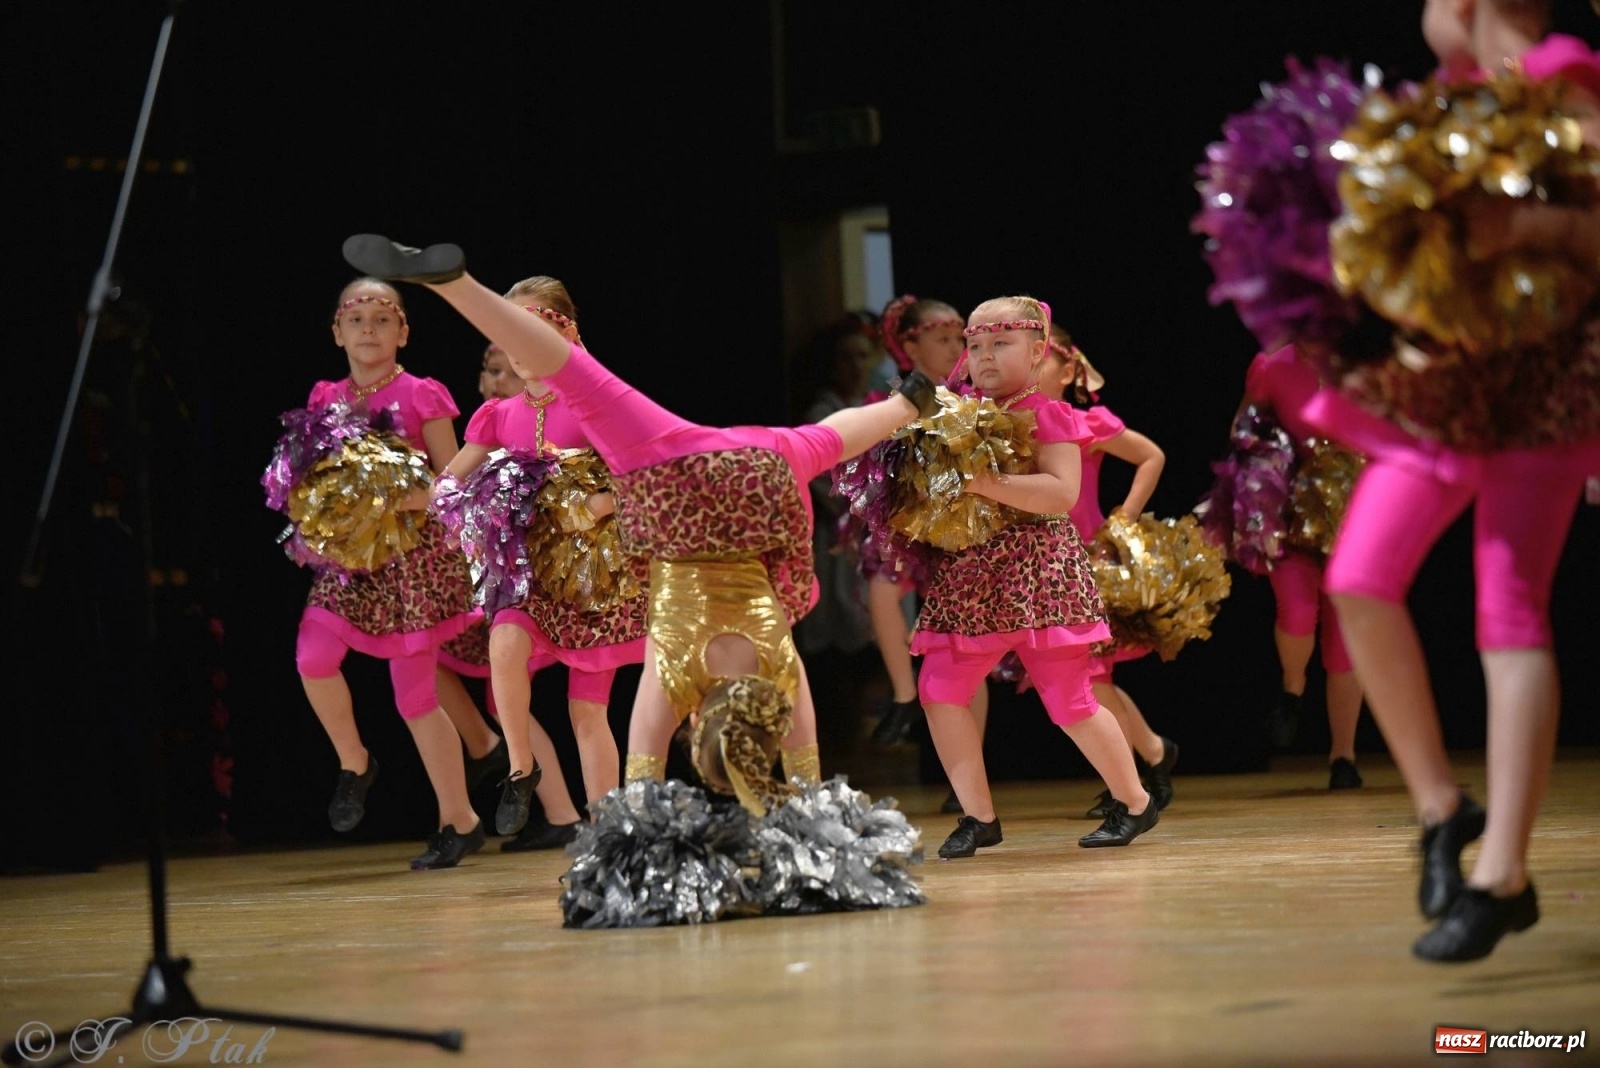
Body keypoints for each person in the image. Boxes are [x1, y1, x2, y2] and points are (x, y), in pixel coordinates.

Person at [340, 233, 940, 812]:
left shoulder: (774, 676)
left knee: (815, 439)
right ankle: (458, 286)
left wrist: (904, 406)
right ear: (699, 724)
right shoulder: (687, 675)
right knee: (586, 382)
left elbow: (805, 768)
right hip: (697, 470)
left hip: (749, 459)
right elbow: (644, 788)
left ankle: (909, 398)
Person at [1304, 0, 1600, 960]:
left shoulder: (1562, 73)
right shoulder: (1452, 99)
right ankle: (1443, 809)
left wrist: (1533, 227)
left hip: (1543, 387)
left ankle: (1501, 874)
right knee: (1356, 580)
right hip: (1449, 390)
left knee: (1508, 611)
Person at [900, 295, 1158, 858]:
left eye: (1001, 343)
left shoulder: (1050, 413)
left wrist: (978, 483)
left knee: (1069, 698)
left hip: (1039, 572)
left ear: (1039, 351)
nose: (984, 355)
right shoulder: (954, 413)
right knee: (940, 689)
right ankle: (978, 816)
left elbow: (1062, 493)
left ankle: (1135, 801)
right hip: (973, 572)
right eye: (975, 345)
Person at [273, 278, 486, 870]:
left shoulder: (424, 395)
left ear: (404, 332)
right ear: (337, 332)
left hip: (412, 561)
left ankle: (458, 819)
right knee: (313, 657)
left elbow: (455, 481)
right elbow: (313, 475)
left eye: (383, 319)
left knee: (415, 697)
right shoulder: (326, 397)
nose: (369, 329)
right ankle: (355, 761)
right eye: (357, 318)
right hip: (348, 559)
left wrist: (391, 499)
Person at [437, 275, 648, 852]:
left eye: (531, 331)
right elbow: (450, 481)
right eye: (510, 333)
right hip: (529, 574)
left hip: (594, 577)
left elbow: (637, 473)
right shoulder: (497, 415)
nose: (518, 347)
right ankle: (521, 768)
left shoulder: (597, 402)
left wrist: (594, 506)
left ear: (565, 333)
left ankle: (607, 835)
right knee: (504, 643)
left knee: (587, 709)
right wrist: (455, 509)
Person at [1037, 325, 1181, 817]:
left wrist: (1124, 517)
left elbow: (1151, 456)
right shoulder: (1012, 425)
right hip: (1040, 569)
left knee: (1092, 678)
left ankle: (1136, 776)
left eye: (1042, 360)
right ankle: (1153, 753)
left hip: (1087, 563)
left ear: (1069, 369)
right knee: (1087, 681)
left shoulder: (1086, 422)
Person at [1236, 343, 1366, 788]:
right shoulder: (1274, 365)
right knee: (1296, 608)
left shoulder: (1367, 360)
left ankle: (1343, 757)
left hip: (1357, 510)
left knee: (1345, 640)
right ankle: (1293, 688)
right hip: (1292, 509)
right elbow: (1243, 430)